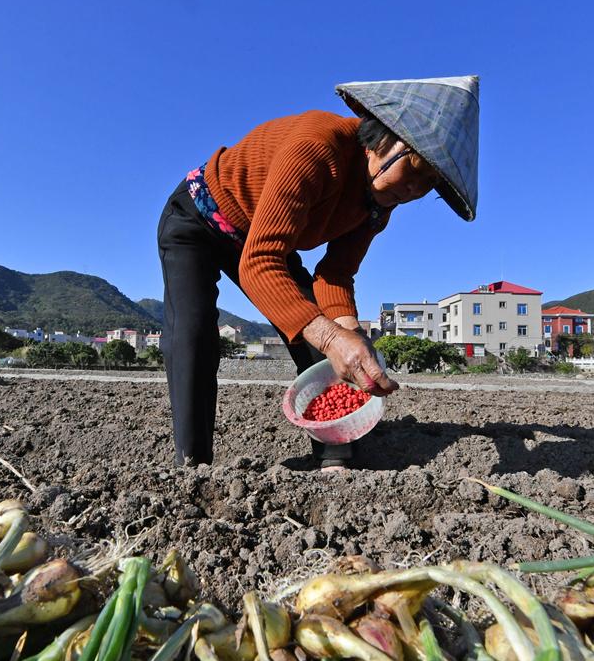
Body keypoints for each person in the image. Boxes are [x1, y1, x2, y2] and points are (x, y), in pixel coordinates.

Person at [157, 75, 479, 470]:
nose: (412, 190)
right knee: (193, 334)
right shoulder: (318, 147)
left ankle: (335, 456)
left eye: (427, 185)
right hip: (200, 217)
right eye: (412, 170)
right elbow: (260, 262)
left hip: (267, 240)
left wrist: (349, 336)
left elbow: (336, 275)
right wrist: (331, 337)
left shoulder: (379, 202)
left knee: (324, 351)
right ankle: (193, 467)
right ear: (386, 138)